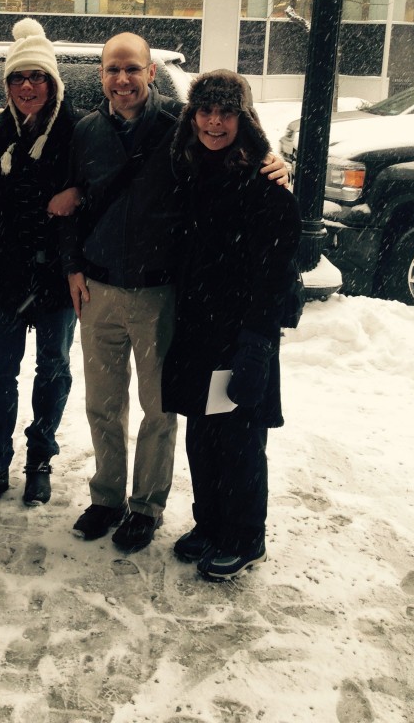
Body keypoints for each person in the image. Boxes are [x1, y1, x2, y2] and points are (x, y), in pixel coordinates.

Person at [61, 33, 289, 553]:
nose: (122, 79)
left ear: (150, 72)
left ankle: (146, 506)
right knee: (103, 404)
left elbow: (236, 156)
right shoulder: (87, 131)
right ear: (101, 74)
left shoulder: (176, 126)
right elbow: (74, 202)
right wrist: (72, 265)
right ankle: (107, 497)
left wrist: (274, 163)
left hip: (159, 293)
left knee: (159, 410)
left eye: (132, 69)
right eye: (113, 69)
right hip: (98, 289)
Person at [161, 70, 301, 581]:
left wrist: (256, 342)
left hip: (241, 334)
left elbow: (276, 272)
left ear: (245, 119)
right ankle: (210, 523)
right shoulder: (188, 167)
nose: (214, 122)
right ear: (192, 115)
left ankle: (245, 536)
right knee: (203, 434)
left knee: (238, 437)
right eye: (205, 111)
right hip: (197, 329)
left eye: (226, 112)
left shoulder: (265, 184)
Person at [0, 18, 80, 511]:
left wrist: (78, 193)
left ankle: (39, 460)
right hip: (5, 276)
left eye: (37, 77)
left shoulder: (77, 128)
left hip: (56, 275)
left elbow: (105, 183)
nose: (27, 87)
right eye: (18, 78)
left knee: (53, 369)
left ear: (53, 83)